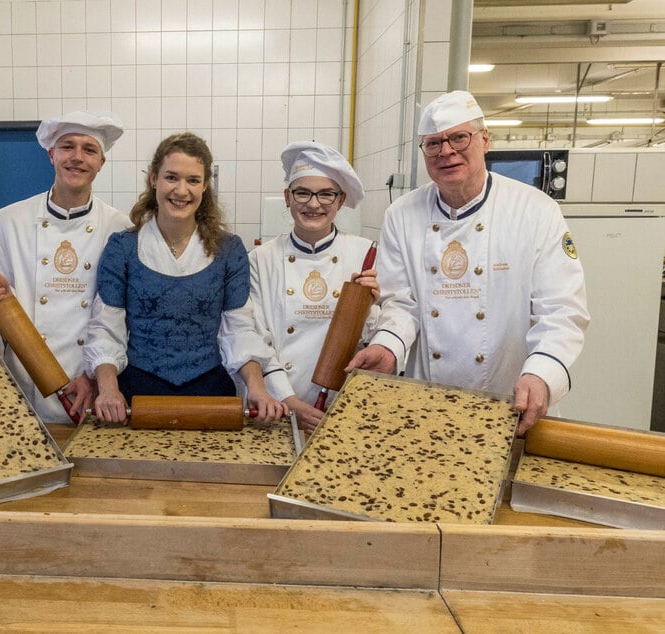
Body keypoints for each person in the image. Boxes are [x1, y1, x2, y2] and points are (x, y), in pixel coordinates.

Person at [347, 90, 589, 435]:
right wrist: (387, 346)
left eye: (459, 137)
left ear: (485, 140)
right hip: (425, 401)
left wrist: (542, 373)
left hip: (511, 402)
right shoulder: (401, 214)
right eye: (433, 143)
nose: (446, 151)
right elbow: (401, 304)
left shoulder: (535, 210)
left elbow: (562, 310)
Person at [84, 132, 287, 423]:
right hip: (136, 394)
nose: (181, 190)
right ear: (153, 178)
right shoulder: (123, 248)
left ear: (205, 186)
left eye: (193, 180)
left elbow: (239, 329)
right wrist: (107, 390)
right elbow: (106, 327)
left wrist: (258, 388)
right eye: (171, 177)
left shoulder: (229, 249)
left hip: (211, 391)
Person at [0, 111, 130, 423]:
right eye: (67, 147)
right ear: (50, 155)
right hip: (25, 384)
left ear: (101, 162)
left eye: (89, 150)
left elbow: (119, 315)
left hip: (89, 384)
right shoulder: (10, 220)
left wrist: (93, 377)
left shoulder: (120, 226)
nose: (77, 157)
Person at [249, 141, 379, 433]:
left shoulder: (366, 254)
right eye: (302, 192)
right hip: (278, 404)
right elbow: (257, 337)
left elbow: (373, 338)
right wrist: (289, 400)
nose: (313, 204)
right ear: (287, 197)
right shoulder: (261, 258)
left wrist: (371, 308)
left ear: (341, 199)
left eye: (326, 194)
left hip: (342, 406)